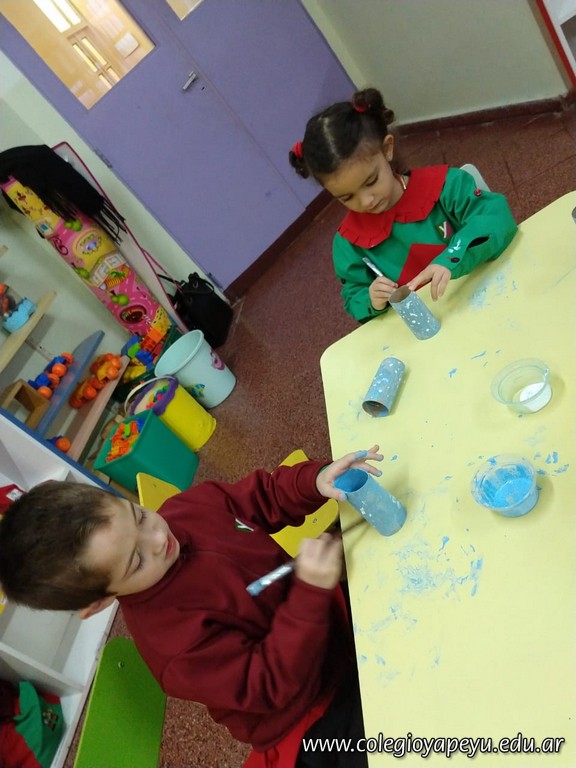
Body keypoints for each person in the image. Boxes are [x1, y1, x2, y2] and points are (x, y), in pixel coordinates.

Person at [0, 447, 384, 768]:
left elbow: (263, 496)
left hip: (327, 619)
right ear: (99, 602)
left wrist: (312, 481)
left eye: (139, 516)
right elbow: (269, 684)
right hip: (309, 711)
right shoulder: (174, 650)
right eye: (136, 560)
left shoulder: (187, 509)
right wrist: (308, 595)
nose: (158, 539)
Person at [289, 88, 518, 323]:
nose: (366, 201)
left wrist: (449, 259)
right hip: (433, 327)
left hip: (495, 295)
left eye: (371, 181)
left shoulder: (445, 185)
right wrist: (371, 299)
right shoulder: (348, 243)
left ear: (387, 149)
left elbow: (496, 218)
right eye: (346, 197)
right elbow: (353, 295)